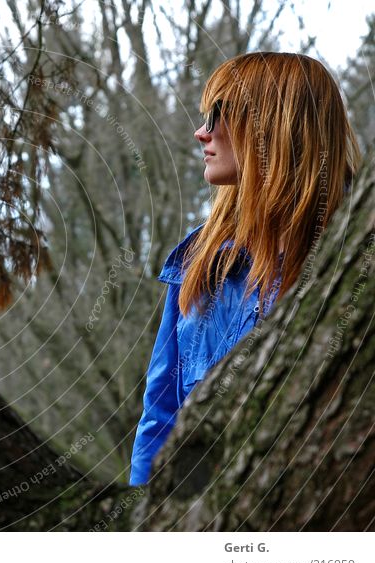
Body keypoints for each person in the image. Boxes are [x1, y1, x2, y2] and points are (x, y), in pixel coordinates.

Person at [128, 52, 361, 486]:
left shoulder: (353, 256)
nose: (202, 133)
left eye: (221, 115)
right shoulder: (200, 258)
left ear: (274, 127)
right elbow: (159, 415)